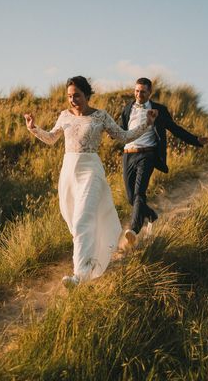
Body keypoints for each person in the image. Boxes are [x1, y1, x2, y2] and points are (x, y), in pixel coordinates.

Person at [24, 76, 158, 288]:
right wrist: (33, 128)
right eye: (69, 96)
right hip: (69, 172)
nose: (73, 99)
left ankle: (80, 274)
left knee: (82, 220)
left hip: (90, 171)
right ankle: (88, 261)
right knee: (74, 221)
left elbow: (123, 136)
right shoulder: (64, 116)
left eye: (76, 95)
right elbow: (51, 139)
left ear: (87, 95)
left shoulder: (100, 116)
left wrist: (146, 124)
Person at [120, 77, 208, 245]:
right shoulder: (127, 109)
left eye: (143, 92)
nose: (139, 94)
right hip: (128, 154)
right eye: (136, 91)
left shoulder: (158, 110)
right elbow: (121, 131)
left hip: (147, 155)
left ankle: (134, 230)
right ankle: (151, 215)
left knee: (139, 194)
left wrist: (196, 140)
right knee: (131, 198)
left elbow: (174, 128)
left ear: (150, 93)